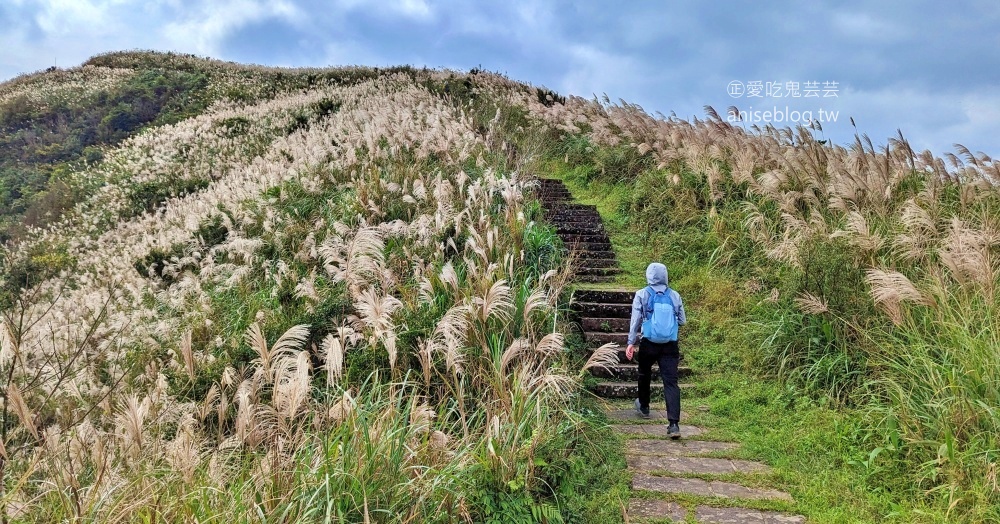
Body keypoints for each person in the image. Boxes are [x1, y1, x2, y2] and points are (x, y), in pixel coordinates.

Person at [625, 262, 686, 438]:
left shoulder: (642, 294)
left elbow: (635, 320)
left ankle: (644, 406)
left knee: (644, 373)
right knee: (671, 383)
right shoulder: (674, 295)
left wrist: (630, 342)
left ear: (649, 276)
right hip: (670, 345)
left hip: (649, 343)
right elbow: (682, 320)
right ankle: (673, 424)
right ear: (665, 275)